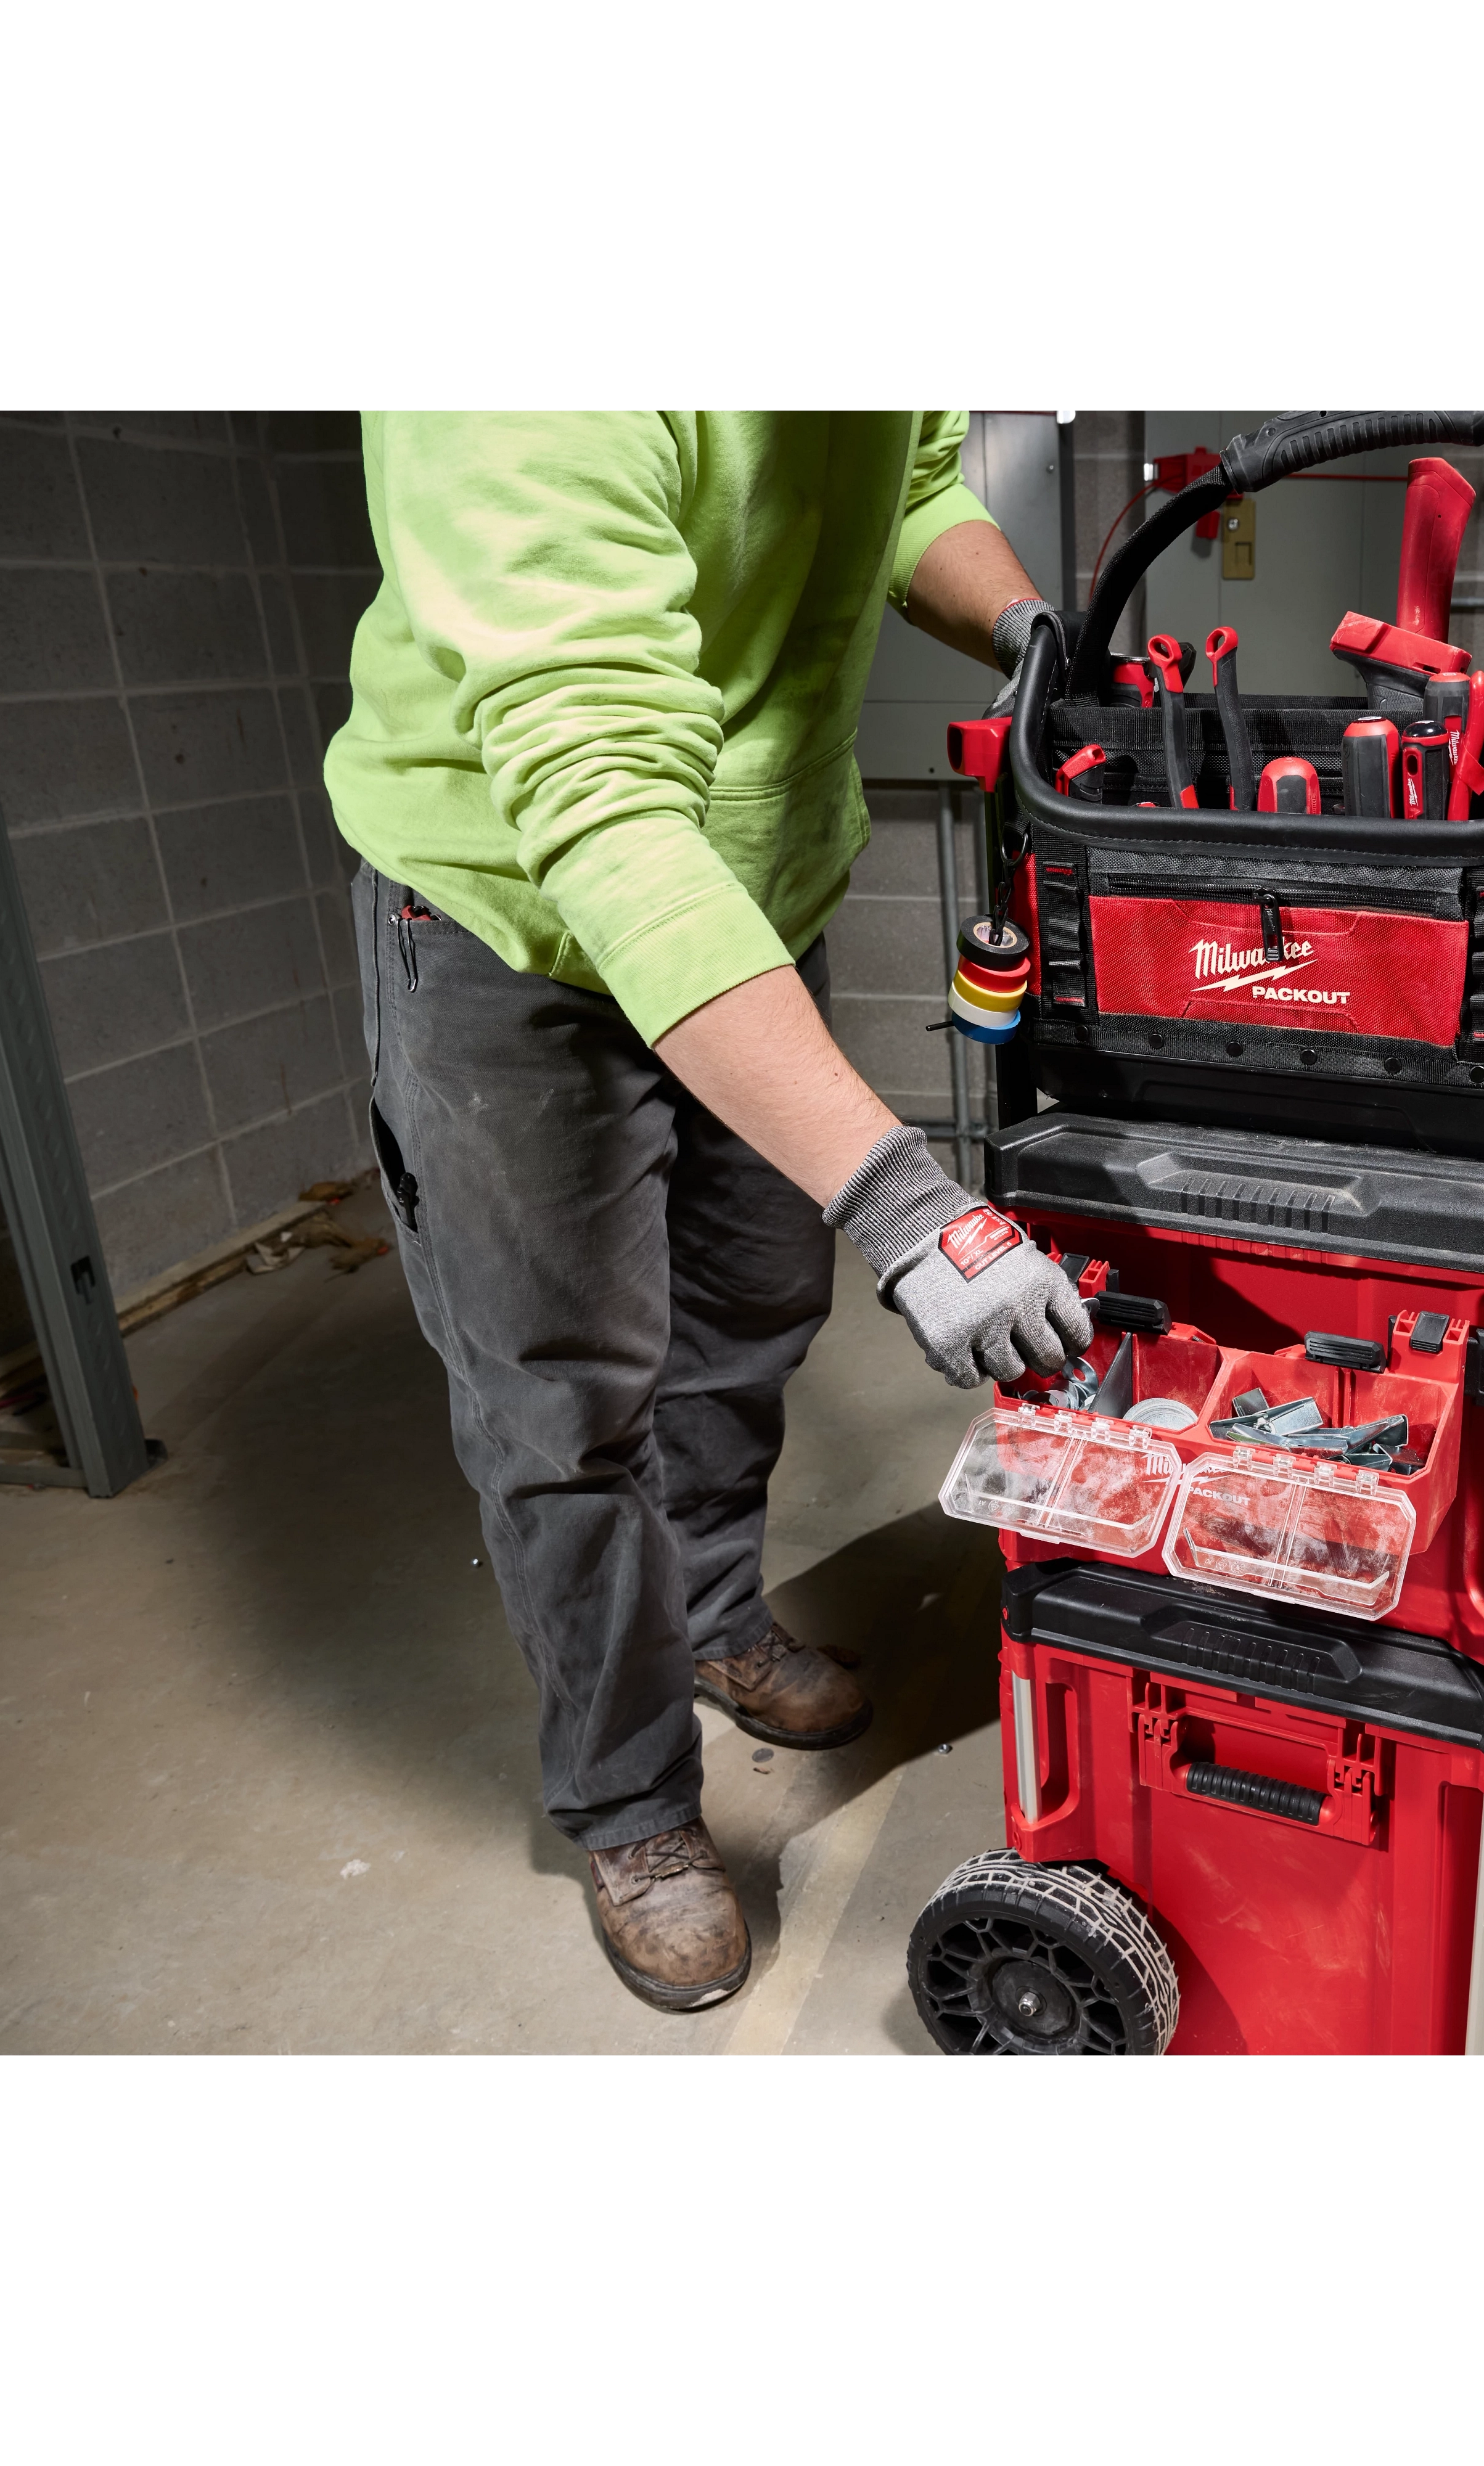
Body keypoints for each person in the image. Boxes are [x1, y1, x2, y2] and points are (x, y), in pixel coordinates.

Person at [325, 412, 1092, 2012]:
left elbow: (916, 486)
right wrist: (897, 1195)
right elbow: (597, 797)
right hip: (515, 910)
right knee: (565, 1400)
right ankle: (631, 1806)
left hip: (749, 877)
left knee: (749, 1307)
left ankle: (718, 1614)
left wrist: (1020, 627)